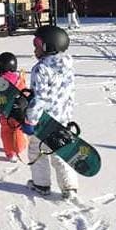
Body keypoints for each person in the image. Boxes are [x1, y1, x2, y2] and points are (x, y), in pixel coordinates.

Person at [22, 25, 78, 199]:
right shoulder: (68, 66)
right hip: (63, 119)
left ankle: (41, 184)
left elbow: (40, 98)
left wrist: (30, 121)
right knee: (61, 153)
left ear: (48, 47)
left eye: (37, 45)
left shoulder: (41, 69)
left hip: (44, 121)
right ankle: (69, 187)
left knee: (36, 151)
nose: (35, 49)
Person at [0, 52, 29, 163]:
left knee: (6, 131)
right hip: (17, 111)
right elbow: (24, 93)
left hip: (3, 112)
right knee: (18, 130)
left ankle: (10, 153)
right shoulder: (17, 79)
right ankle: (19, 148)